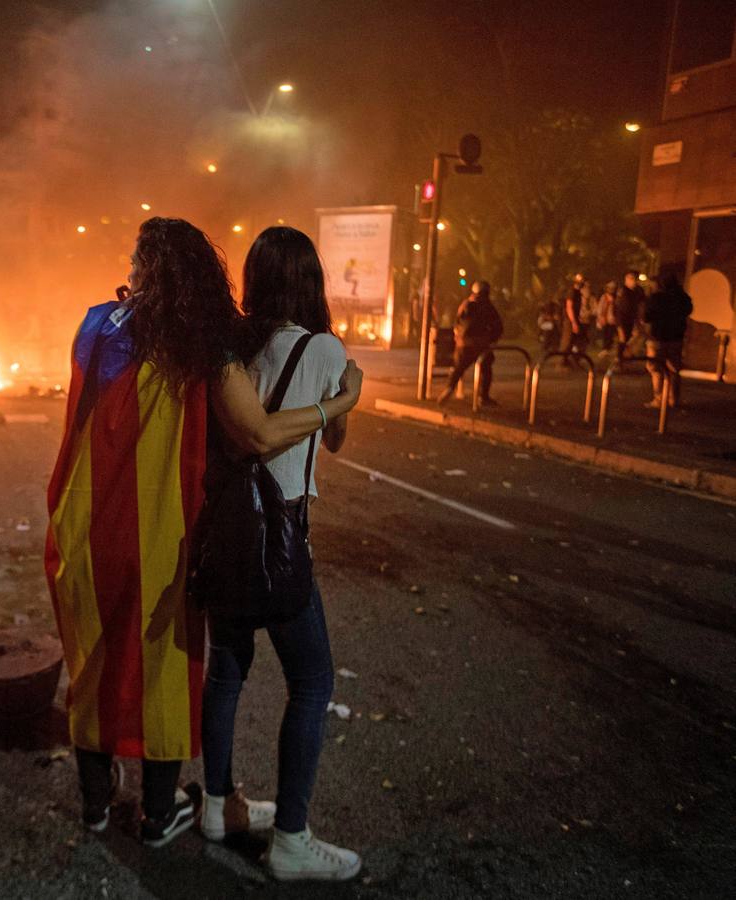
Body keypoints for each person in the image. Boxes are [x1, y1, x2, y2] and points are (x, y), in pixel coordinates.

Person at [45, 218, 363, 849]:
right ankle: (167, 817)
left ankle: (99, 805)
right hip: (171, 535)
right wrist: (341, 398)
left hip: (85, 526)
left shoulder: (98, 327)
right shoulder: (204, 345)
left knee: (98, 662)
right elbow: (259, 432)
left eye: (136, 264)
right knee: (170, 669)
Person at [198, 226, 362, 882]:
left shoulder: (232, 345)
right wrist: (341, 395)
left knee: (227, 672)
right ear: (311, 281)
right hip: (281, 541)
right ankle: (291, 838)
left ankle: (218, 805)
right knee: (313, 680)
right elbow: (339, 437)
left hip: (227, 535)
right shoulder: (324, 349)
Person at [437, 280, 503, 407]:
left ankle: (449, 388)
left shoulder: (465, 304)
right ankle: (483, 397)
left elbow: (457, 323)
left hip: (463, 344)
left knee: (459, 368)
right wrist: (492, 339)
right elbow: (497, 325)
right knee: (486, 368)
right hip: (481, 344)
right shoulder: (486, 306)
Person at [642, 271, 693, 409]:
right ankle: (673, 399)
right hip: (676, 338)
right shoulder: (682, 298)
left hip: (657, 338)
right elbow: (689, 311)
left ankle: (659, 398)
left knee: (655, 368)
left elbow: (646, 317)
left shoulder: (656, 298)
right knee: (674, 369)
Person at [615, 271, 645, 361]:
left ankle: (625, 357)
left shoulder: (637, 291)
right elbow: (618, 310)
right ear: (626, 280)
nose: (634, 281)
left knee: (630, 339)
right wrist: (619, 326)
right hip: (622, 320)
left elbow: (641, 304)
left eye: (635, 279)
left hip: (631, 320)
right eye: (631, 279)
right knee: (622, 339)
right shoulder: (623, 291)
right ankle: (619, 360)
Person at [559, 275, 588, 367]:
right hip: (570, 320)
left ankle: (571, 360)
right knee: (567, 341)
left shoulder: (578, 292)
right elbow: (569, 307)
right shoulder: (572, 292)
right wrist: (573, 322)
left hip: (575, 319)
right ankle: (562, 361)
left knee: (575, 340)